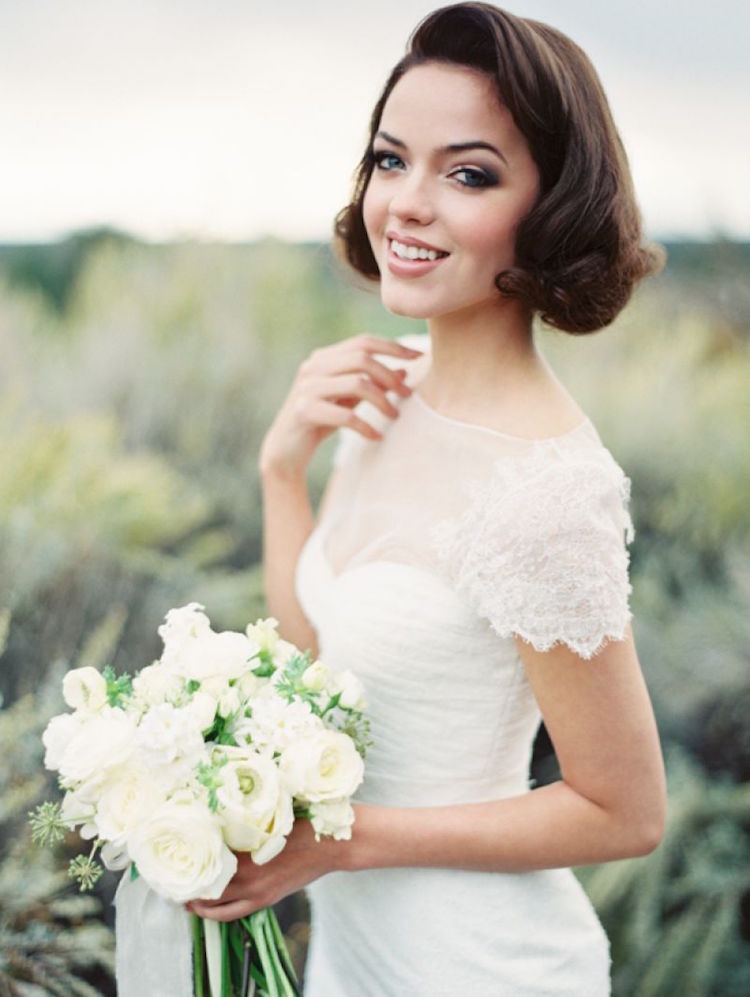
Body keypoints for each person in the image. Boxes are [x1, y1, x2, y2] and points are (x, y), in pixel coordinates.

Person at [188, 4, 668, 994]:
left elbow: (625, 811)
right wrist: (282, 471)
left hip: (479, 967)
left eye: (468, 173)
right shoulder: (391, 382)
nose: (405, 202)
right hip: (356, 956)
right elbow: (320, 669)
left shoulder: (546, 493)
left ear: (550, 207)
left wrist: (338, 842)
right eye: (390, 159)